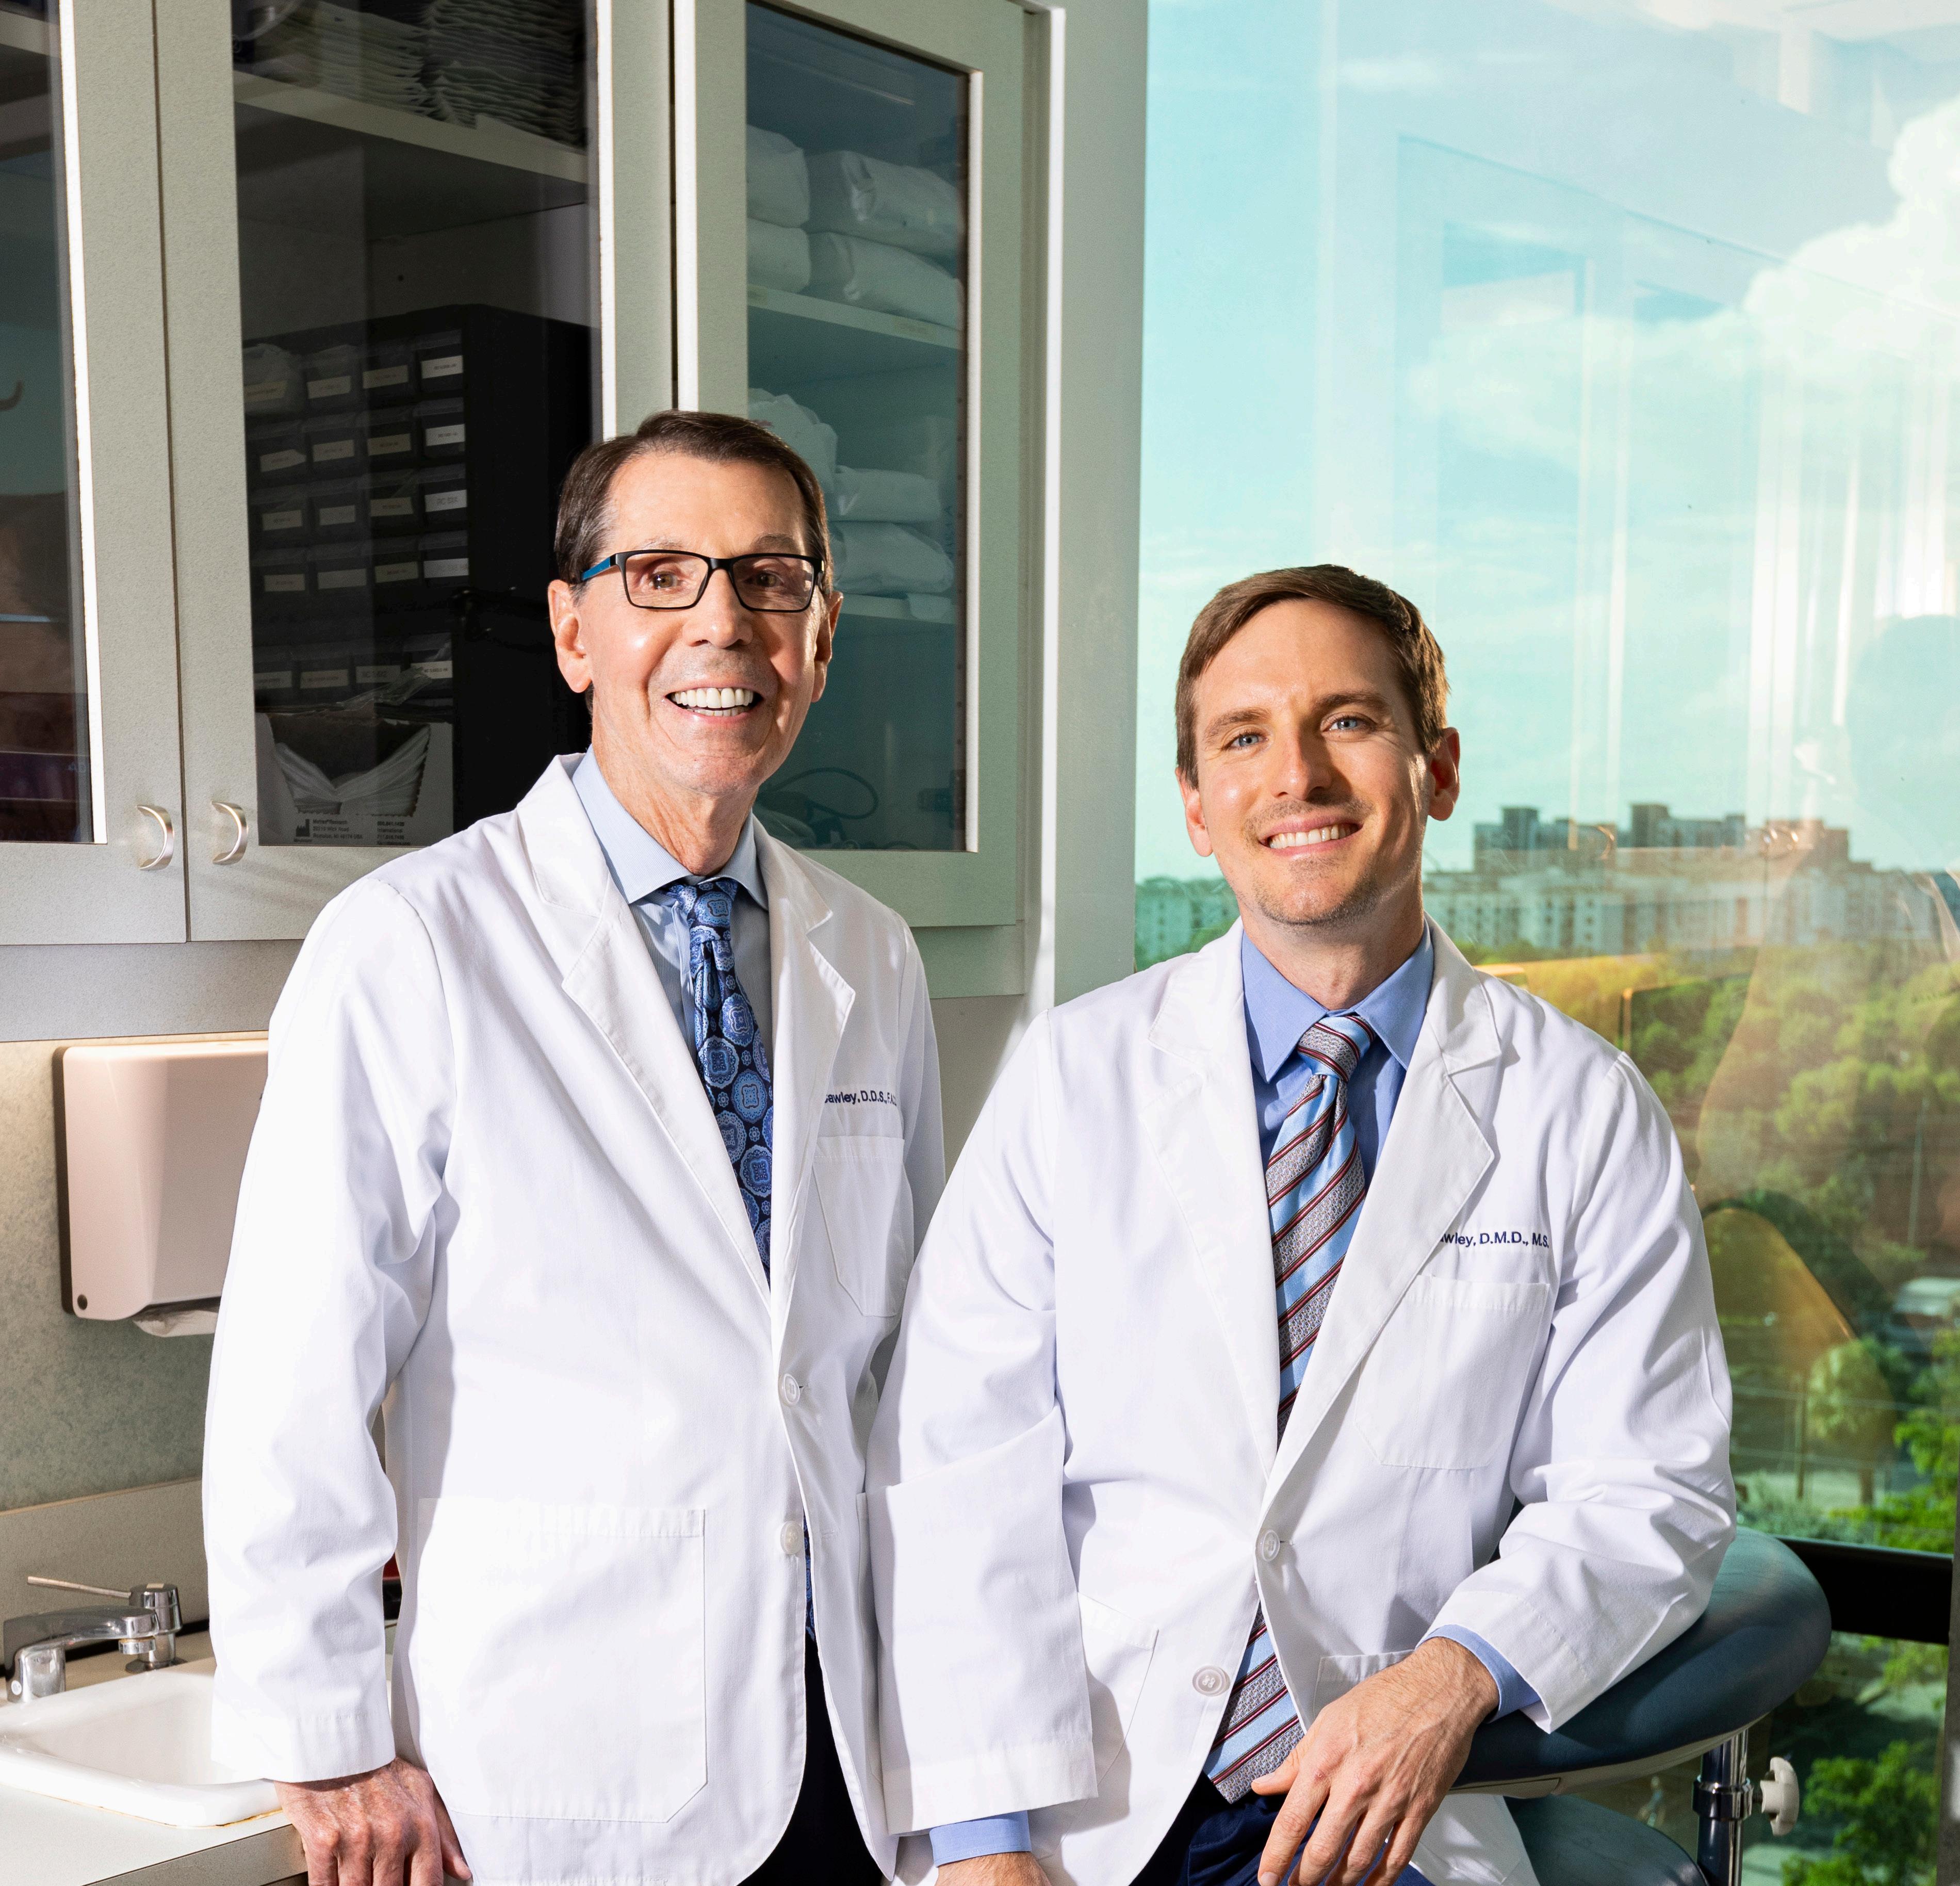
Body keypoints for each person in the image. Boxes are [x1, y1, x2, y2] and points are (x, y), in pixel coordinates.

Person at [866, 565, 1734, 1886]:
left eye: (1348, 721)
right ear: (1195, 804)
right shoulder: (1073, 1079)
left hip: (1392, 1817)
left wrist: (1455, 1675)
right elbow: (954, 1470)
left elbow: (1647, 1486)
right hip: (1089, 1811)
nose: (1297, 777)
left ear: (1439, 768)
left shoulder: (1580, 1107)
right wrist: (984, 1843)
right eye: (1243, 737)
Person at [204, 410, 942, 1886]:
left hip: (847, 1750)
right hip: (560, 1768)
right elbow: (293, 1374)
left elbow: (905, 1376)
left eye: (771, 578)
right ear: (571, 633)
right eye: (659, 575)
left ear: (821, 637)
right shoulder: (411, 943)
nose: (722, 623)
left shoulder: (871, 953)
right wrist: (330, 1740)